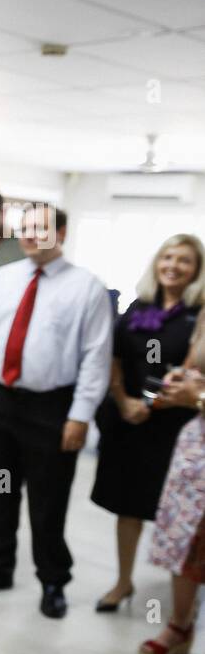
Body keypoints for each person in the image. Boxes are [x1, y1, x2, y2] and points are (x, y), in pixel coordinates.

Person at [0, 205, 113, 618]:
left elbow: (97, 358)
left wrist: (80, 416)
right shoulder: (2, 280)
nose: (28, 234)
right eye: (24, 227)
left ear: (60, 233)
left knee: (48, 499)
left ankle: (52, 580)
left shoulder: (87, 288)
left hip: (50, 408)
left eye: (39, 228)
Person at [91, 234, 204, 612]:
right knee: (128, 505)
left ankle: (180, 608)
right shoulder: (139, 307)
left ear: (197, 270)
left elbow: (187, 372)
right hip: (129, 421)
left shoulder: (199, 314)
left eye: (184, 260)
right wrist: (123, 401)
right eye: (167, 257)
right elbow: (116, 356)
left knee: (175, 516)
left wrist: (149, 405)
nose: (173, 265)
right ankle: (123, 582)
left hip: (176, 426)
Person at [135, 332, 205, 654]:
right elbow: (196, 365)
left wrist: (200, 396)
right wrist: (183, 379)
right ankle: (179, 626)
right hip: (198, 443)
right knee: (184, 540)